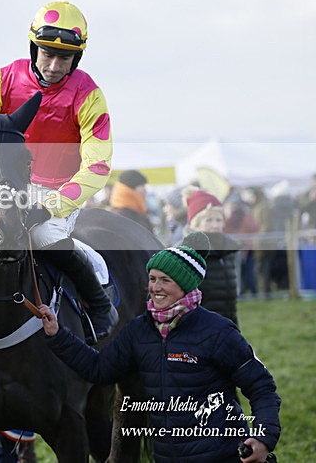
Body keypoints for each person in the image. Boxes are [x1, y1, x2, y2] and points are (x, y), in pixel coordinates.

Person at [0, 0, 116, 343]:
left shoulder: (89, 96)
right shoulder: (3, 79)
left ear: (77, 58)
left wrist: (49, 207)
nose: (53, 66)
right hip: (1, 188)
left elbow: (97, 166)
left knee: (45, 237)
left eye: (64, 58)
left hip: (57, 193)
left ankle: (99, 307)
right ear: (34, 48)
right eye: (47, 54)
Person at [37, 233, 281, 463]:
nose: (155, 287)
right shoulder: (139, 330)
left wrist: (264, 438)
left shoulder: (218, 331)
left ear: (185, 285)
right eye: (152, 279)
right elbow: (98, 369)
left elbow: (261, 386)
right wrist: (58, 335)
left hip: (221, 455)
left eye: (165, 280)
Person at [182, 187, 241, 325]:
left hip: (227, 321)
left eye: (218, 220)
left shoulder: (228, 250)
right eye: (208, 220)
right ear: (196, 224)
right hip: (199, 325)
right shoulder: (186, 251)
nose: (215, 225)